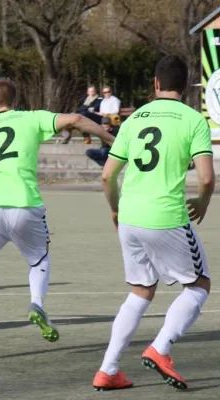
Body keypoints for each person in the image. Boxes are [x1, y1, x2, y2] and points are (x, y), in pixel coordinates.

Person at [0, 78, 116, 362]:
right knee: (39, 260)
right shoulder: (31, 118)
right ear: (17, 102)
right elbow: (77, 119)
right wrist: (110, 139)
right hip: (24, 203)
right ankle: (36, 303)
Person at [93, 55, 214, 391]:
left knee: (141, 290)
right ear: (187, 86)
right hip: (166, 216)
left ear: (156, 85)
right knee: (199, 285)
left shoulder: (133, 120)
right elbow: (205, 178)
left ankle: (108, 369)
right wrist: (202, 202)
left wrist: (116, 210)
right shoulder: (193, 120)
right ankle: (160, 349)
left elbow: (107, 176)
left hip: (130, 216)